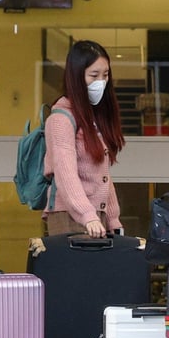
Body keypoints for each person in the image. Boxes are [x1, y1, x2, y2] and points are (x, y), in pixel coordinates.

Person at [42, 39, 126, 239]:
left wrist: (113, 217)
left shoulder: (92, 118)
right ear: (77, 77)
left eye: (105, 75)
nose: (101, 82)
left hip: (95, 217)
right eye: (94, 75)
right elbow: (65, 174)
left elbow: (102, 175)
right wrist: (87, 215)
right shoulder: (61, 119)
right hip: (71, 215)